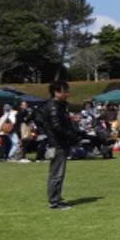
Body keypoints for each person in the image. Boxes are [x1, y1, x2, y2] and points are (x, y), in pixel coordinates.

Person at [41, 81, 79, 210]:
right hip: (57, 143)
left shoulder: (60, 106)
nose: (67, 93)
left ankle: (56, 198)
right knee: (57, 173)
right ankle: (54, 201)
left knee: (58, 173)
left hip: (60, 143)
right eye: (65, 91)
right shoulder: (54, 107)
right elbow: (57, 126)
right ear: (56, 92)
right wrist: (71, 135)